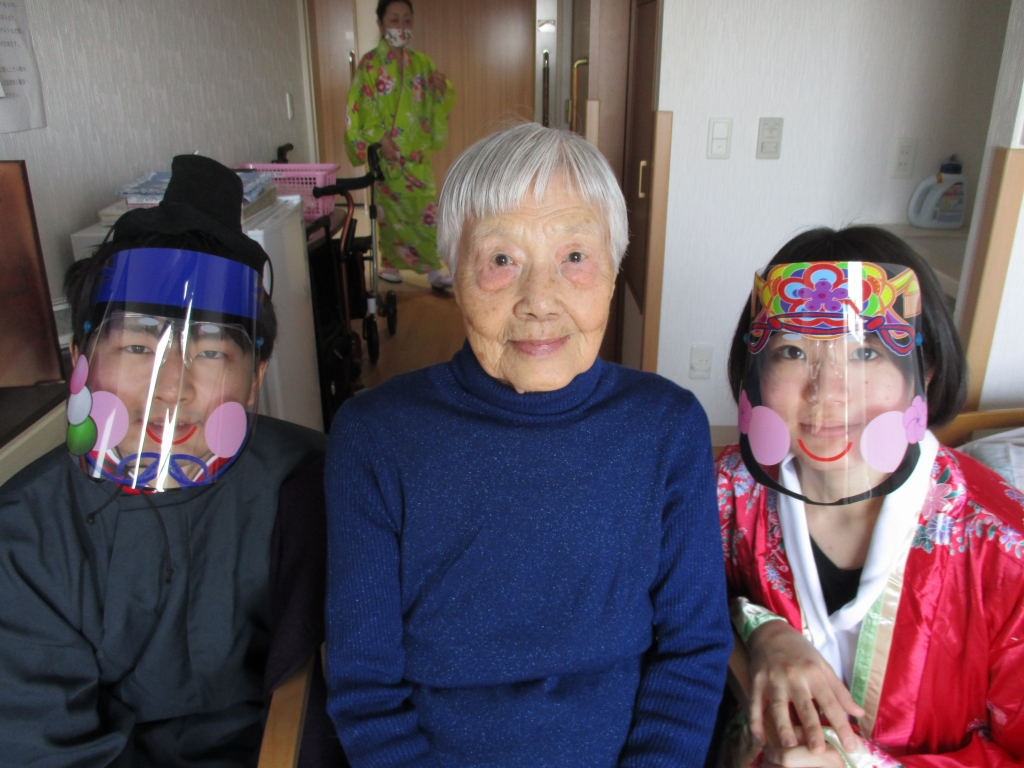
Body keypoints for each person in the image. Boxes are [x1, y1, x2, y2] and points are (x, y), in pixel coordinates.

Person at [323, 123, 731, 767]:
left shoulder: (667, 427)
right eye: (501, 260)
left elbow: (692, 650)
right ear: (452, 273)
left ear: (614, 270)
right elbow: (365, 687)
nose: (539, 301)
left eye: (575, 256)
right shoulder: (373, 436)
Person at [0, 155, 326, 765]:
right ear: (82, 354)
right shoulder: (22, 540)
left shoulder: (312, 484)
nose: (171, 388)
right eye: (137, 346)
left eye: (210, 352)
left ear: (255, 377)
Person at [716, 227, 1024, 766]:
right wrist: (760, 633)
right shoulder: (719, 494)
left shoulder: (1004, 550)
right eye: (793, 351)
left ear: (925, 370)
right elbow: (667, 605)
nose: (827, 392)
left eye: (865, 352)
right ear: (757, 373)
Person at [346, 0, 455, 290]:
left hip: (416, 155)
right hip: (388, 154)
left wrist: (441, 88)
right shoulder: (370, 64)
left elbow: (436, 100)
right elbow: (362, 103)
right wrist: (380, 139)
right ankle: (390, 263)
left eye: (407, 20)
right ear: (381, 24)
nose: (402, 26)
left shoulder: (421, 63)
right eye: (394, 20)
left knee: (425, 211)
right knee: (391, 213)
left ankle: (432, 267)